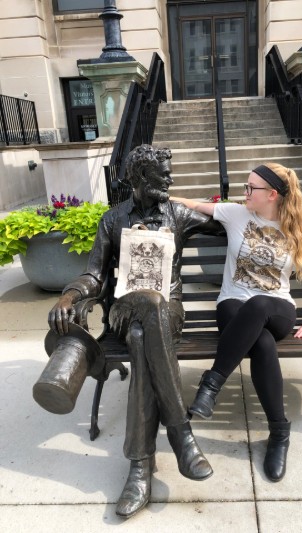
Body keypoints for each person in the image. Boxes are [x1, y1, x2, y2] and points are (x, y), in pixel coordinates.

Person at [48, 144, 223, 519]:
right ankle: (181, 433)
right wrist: (69, 295)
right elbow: (94, 274)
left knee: (148, 330)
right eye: (164, 175)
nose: (171, 180)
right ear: (142, 178)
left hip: (168, 314)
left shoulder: (178, 214)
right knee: (147, 308)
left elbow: (225, 224)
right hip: (125, 310)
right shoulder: (112, 220)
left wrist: (270, 216)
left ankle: (139, 468)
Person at [172, 162, 302, 483]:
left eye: (250, 188)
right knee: (263, 343)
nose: (244, 193)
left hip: (278, 310)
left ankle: (211, 385)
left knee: (259, 305)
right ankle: (279, 433)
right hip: (232, 307)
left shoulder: (300, 232)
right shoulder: (234, 214)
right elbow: (190, 205)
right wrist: (159, 197)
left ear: (272, 195)